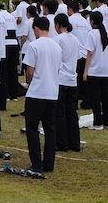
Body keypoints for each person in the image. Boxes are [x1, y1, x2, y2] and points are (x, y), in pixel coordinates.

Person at [23, 15, 62, 174]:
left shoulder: (34, 46)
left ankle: (36, 163)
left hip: (37, 92)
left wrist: (29, 83)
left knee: (32, 128)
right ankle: (48, 163)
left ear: (36, 29)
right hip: (52, 92)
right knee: (50, 129)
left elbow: (29, 72)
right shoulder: (57, 47)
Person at [54, 13, 81, 153]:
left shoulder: (58, 39)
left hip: (61, 79)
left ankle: (61, 142)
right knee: (72, 112)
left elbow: (56, 59)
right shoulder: (75, 39)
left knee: (60, 113)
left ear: (58, 25)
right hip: (72, 79)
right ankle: (74, 142)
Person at [84, 10, 108, 131]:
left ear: (92, 21)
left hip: (94, 71)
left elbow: (90, 54)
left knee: (95, 98)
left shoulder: (92, 34)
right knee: (106, 97)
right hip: (106, 71)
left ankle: (98, 123)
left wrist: (85, 71)